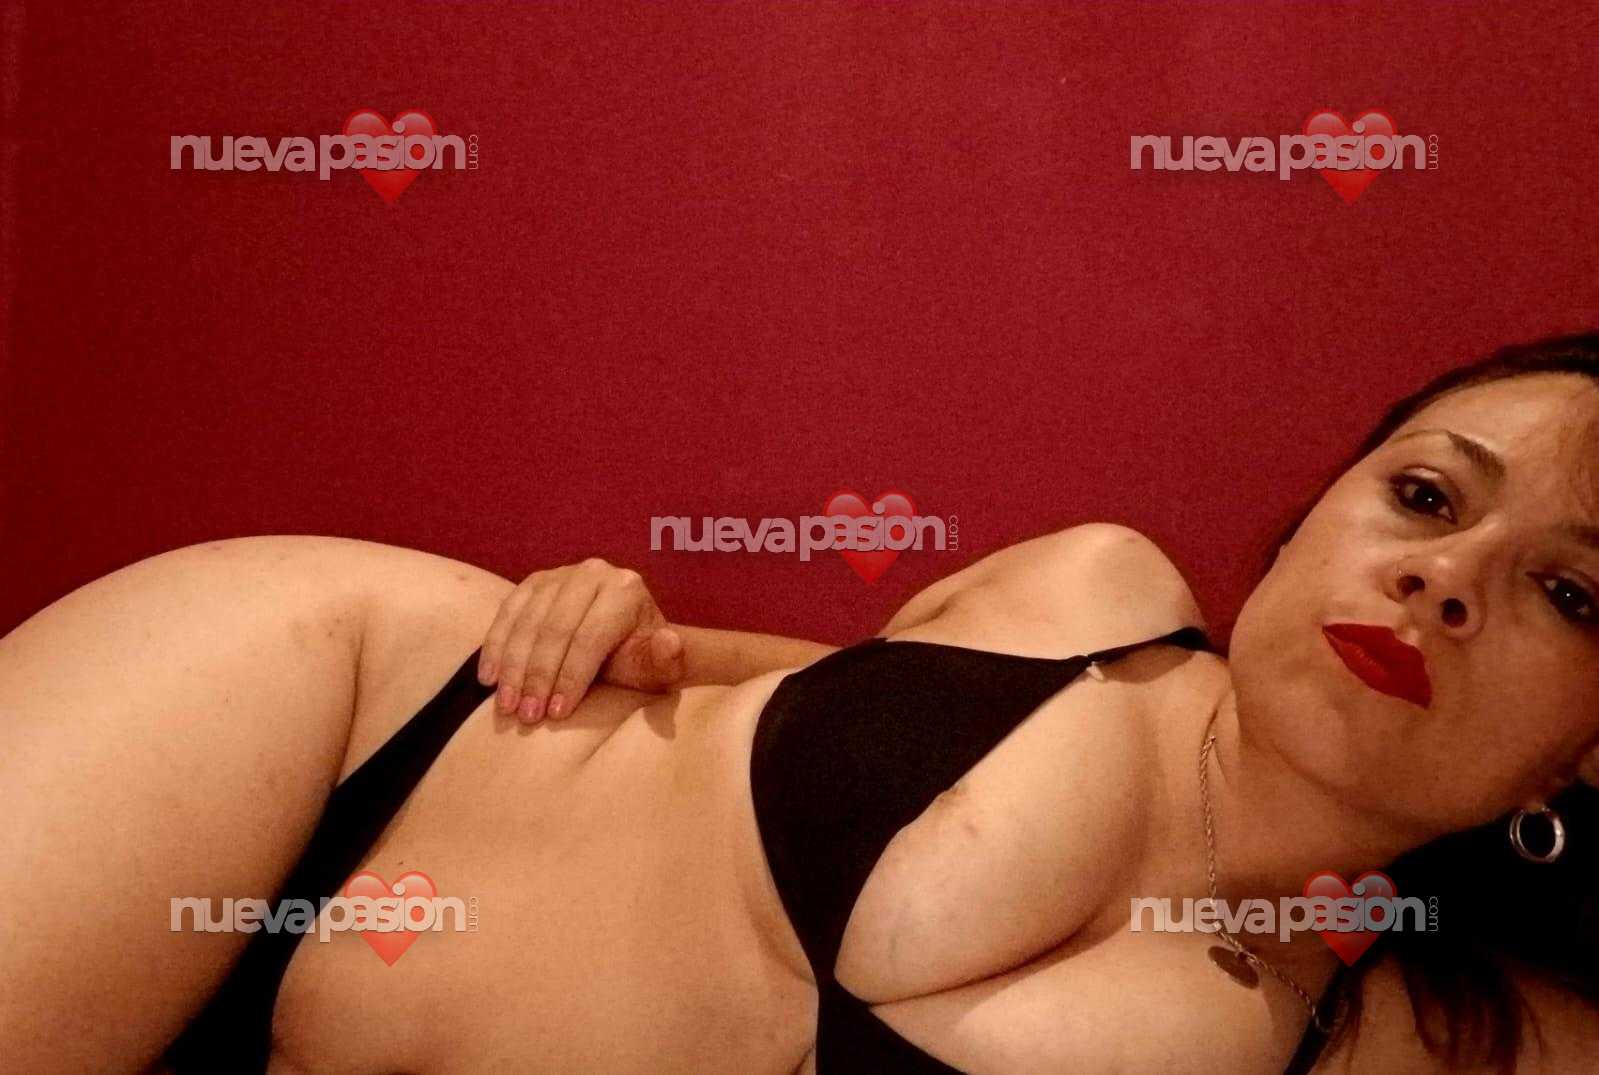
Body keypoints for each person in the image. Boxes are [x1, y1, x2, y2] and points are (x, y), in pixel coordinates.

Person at [2, 332, 1597, 1073]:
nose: (1444, 581)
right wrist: (627, 618)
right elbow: (814, 693)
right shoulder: (1100, 596)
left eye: (1571, 592)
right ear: (1314, 516)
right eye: (1426, 496)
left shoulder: (1426, 1035)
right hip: (347, 746)